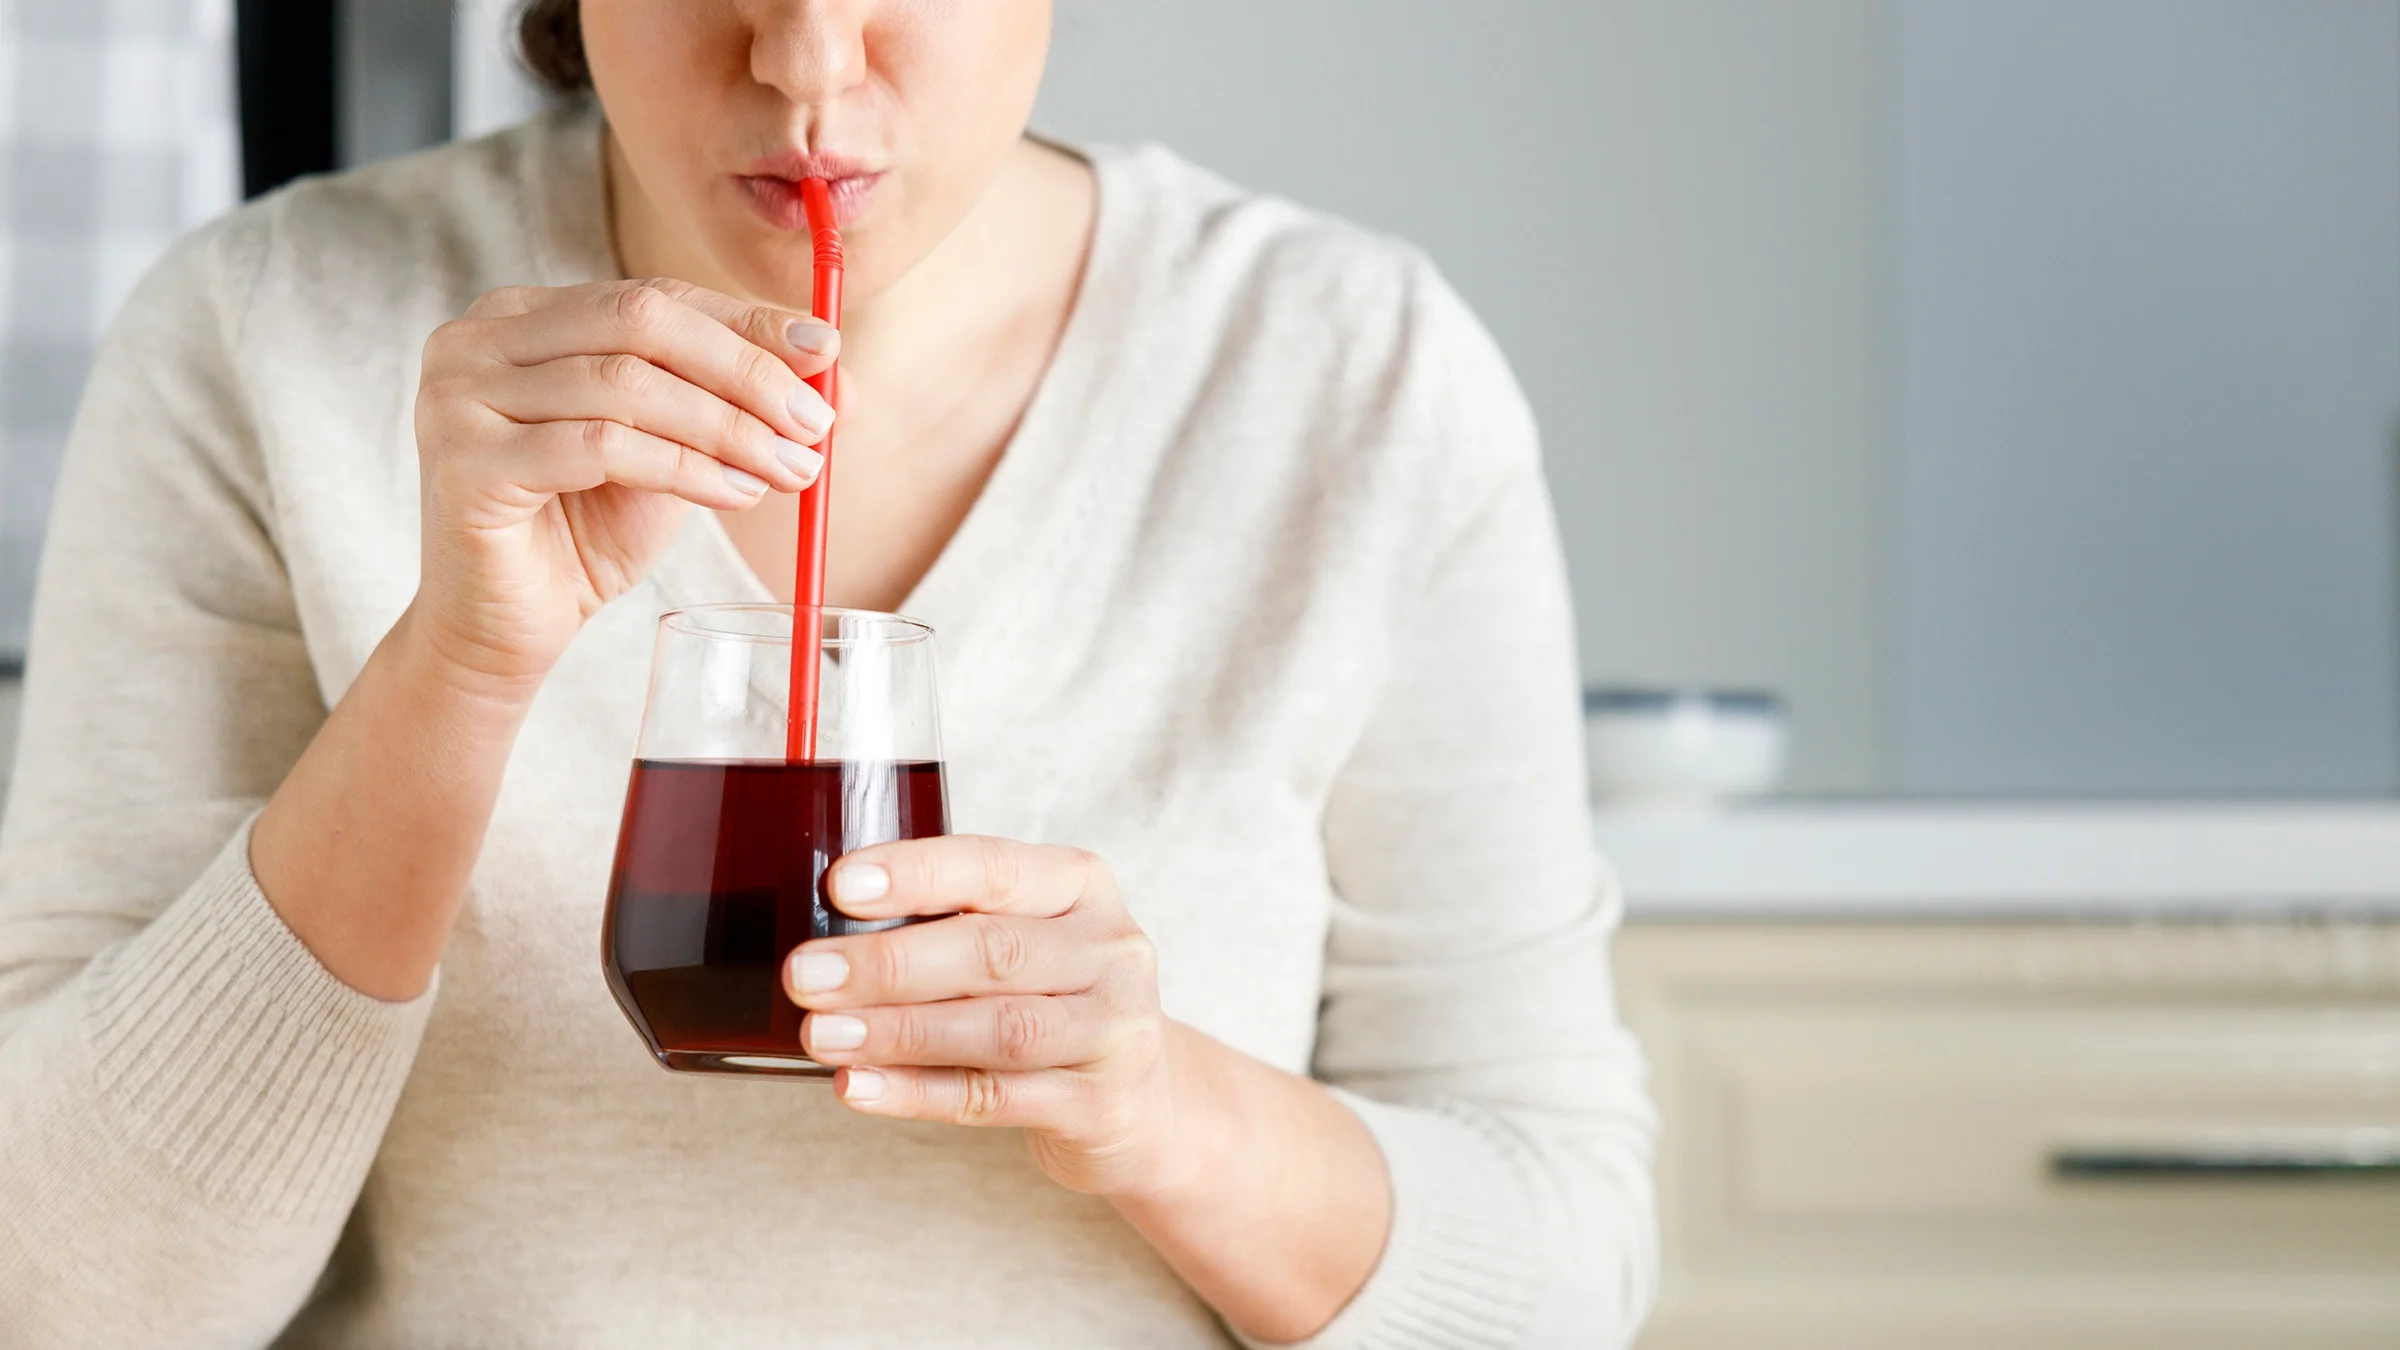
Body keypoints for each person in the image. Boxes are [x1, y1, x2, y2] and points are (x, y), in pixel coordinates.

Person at [0, 2, 1657, 1345]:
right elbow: (60, 1297)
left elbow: (1566, 1270)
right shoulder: (261, 338)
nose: (803, 52)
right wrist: (458, 667)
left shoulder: (1354, 375)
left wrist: (1160, 1108)